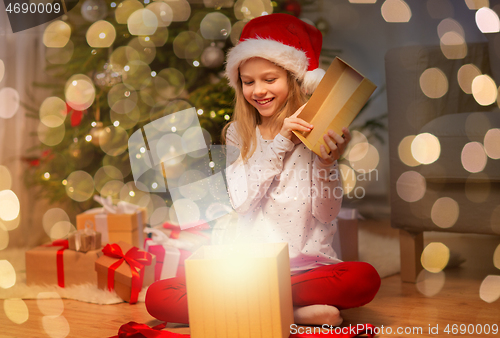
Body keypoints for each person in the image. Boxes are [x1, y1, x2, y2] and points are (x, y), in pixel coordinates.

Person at [146, 13, 380, 327]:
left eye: (270, 79)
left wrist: (327, 163)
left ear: (293, 79)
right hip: (249, 269)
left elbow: (326, 214)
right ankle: (293, 313)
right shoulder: (237, 134)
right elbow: (242, 202)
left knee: (363, 279)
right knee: (159, 295)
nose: (258, 90)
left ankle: (258, 309)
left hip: (306, 268)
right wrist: (280, 141)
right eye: (248, 81)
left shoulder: (316, 132)